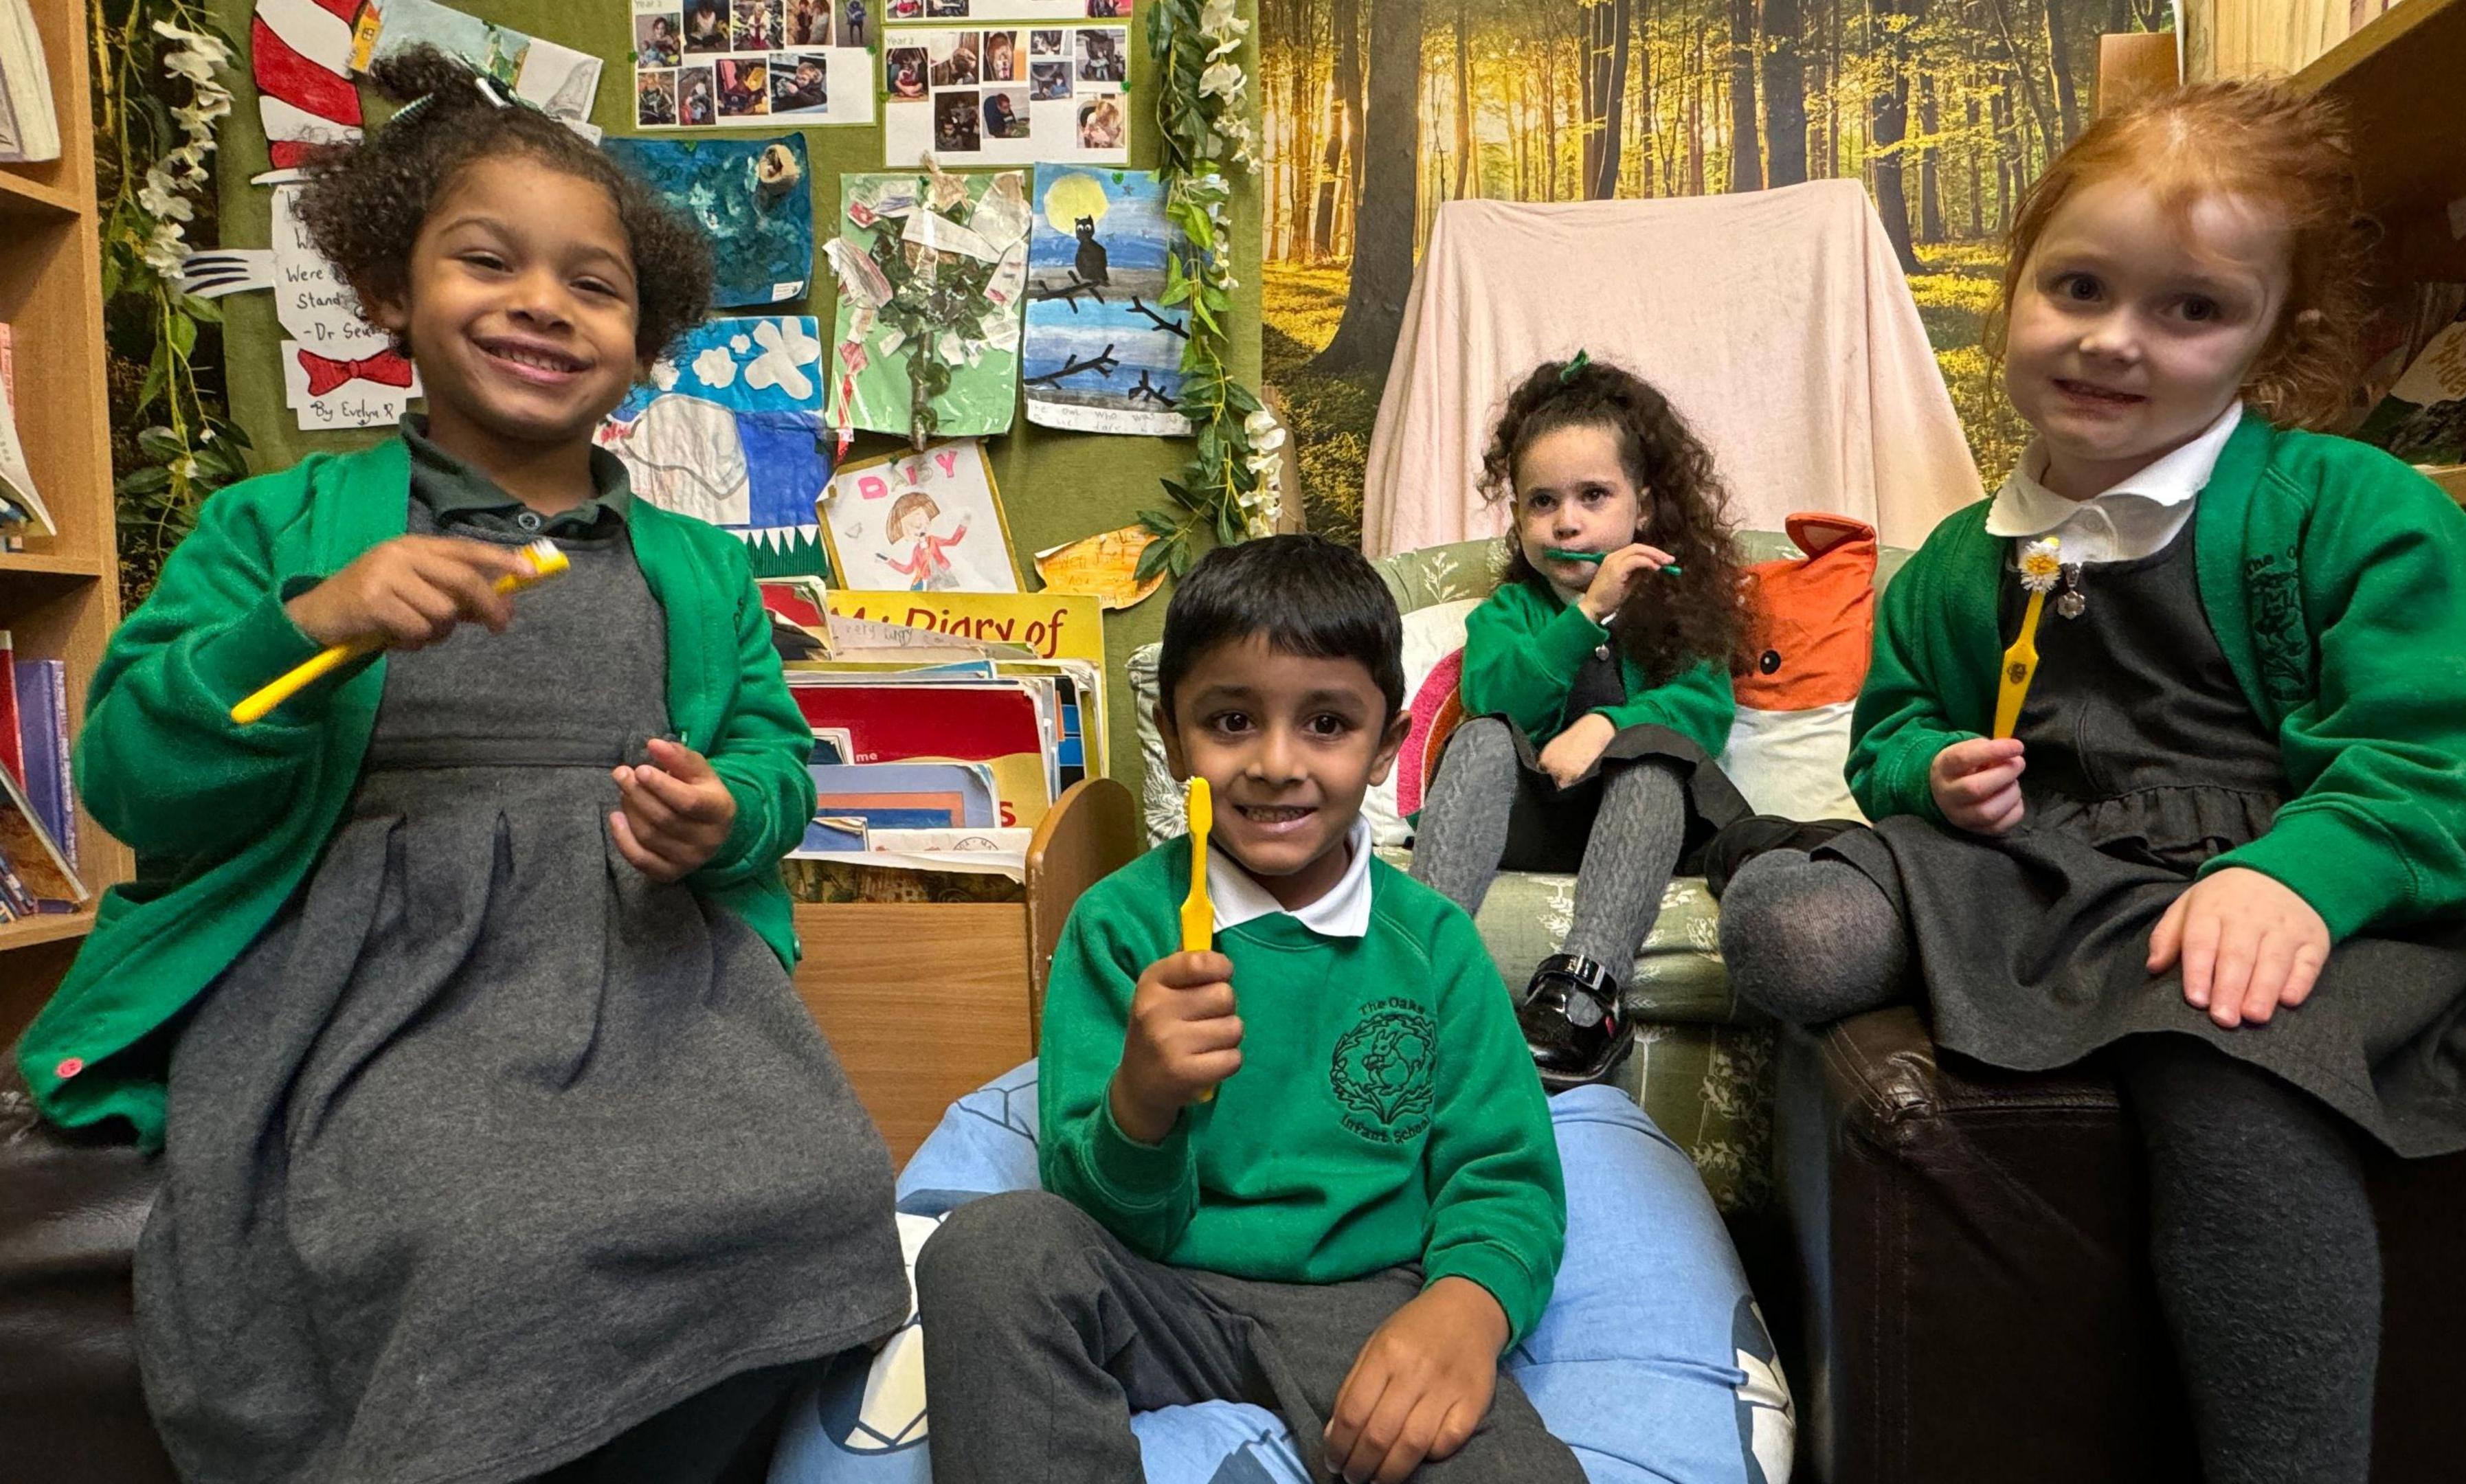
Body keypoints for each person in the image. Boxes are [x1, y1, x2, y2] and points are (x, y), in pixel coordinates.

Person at [1714, 79, 2466, 1484]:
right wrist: (1934, 771)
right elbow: (1891, 728)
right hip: (2054, 863)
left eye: (2191, 310)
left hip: (2306, 880)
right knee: (1791, 922)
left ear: (2277, 337)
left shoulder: (2352, 504)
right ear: (2015, 282)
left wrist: (2301, 877)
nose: (2113, 341)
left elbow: (2460, 756)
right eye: (2077, 285)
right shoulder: (1966, 554)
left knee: (2224, 1045)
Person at [10, 47, 908, 1483]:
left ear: (647, 335)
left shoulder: (692, 566)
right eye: (486, 260)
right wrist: (310, 627)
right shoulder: (279, 530)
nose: (542, 302)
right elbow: (126, 776)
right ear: (387, 295)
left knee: (825, 1189)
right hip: (378, 990)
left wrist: (730, 812)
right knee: (491, 1233)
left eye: (593, 285)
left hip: (652, 980)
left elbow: (774, 760)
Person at [915, 536, 1580, 1484]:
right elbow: (1085, 1204)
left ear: (1386, 744)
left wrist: (1467, 1309)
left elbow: (1506, 1177)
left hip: (1371, 1308)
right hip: (1159, 1289)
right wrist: (1139, 1106)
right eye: (1232, 721)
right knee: (986, 1251)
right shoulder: (1118, 924)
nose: (1276, 763)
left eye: (1327, 724)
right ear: (1173, 730)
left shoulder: (1432, 944)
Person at [1409, 356, 1754, 1090]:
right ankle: (1418, 961)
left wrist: (1607, 727)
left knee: (1656, 756)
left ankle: (1586, 989)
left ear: (1645, 507)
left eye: (1593, 495)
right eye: (1542, 503)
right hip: (1535, 820)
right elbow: (1499, 696)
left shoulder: (1681, 609)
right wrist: (1586, 613)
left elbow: (1705, 714)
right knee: (1481, 734)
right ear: (1519, 520)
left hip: (1642, 828)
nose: (1567, 521)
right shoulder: (1511, 612)